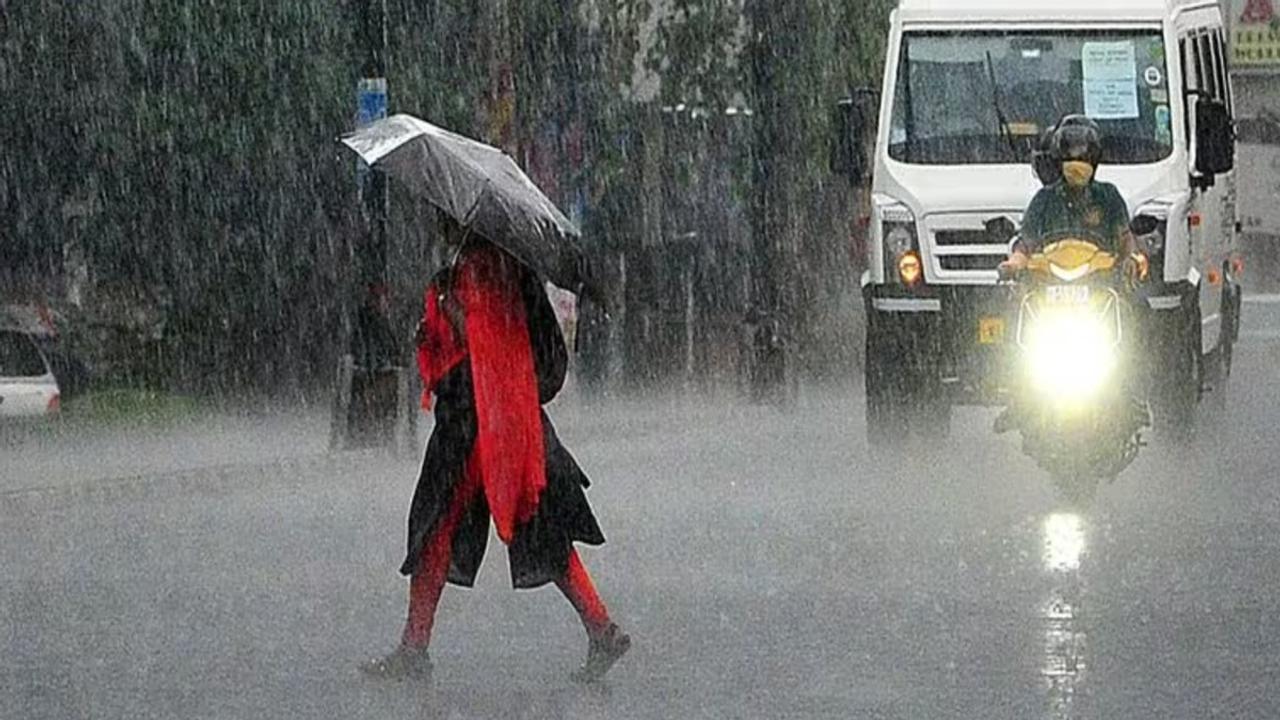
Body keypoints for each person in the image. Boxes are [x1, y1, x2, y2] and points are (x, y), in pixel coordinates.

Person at [359, 223, 630, 684]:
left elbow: (483, 341)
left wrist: (452, 313)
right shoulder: (505, 262)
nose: (435, 219)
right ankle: (600, 626)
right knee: (540, 529)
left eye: (439, 213)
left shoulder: (483, 264)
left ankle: (414, 648)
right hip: (512, 416)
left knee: (436, 527)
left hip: (477, 423)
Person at [999, 115, 1146, 281]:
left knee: (1135, 304)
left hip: (1101, 286)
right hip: (1047, 287)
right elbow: (1025, 244)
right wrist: (1013, 264)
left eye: (1084, 157)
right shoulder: (1044, 199)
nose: (1077, 164)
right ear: (1058, 159)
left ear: (1095, 159)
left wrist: (1131, 259)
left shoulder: (1108, 196)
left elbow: (1124, 238)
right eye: (1070, 156)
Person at [347, 283, 402, 447]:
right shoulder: (370, 323)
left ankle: (377, 437)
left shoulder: (379, 322)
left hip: (375, 378)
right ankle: (373, 438)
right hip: (372, 379)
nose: (386, 303)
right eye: (382, 299)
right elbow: (371, 354)